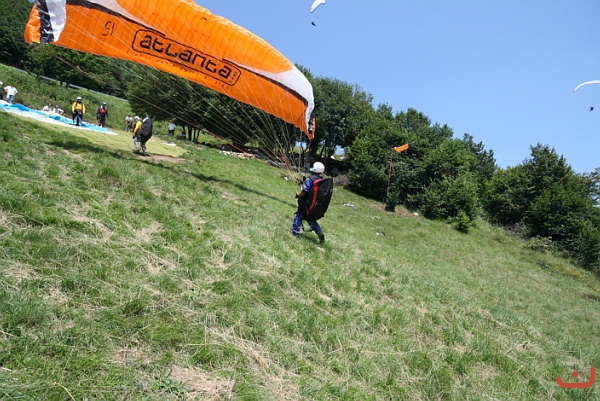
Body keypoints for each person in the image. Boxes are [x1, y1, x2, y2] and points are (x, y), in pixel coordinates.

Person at [292, 161, 327, 243]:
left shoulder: (310, 179)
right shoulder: (322, 181)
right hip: (314, 206)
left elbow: (305, 190)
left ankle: (295, 233)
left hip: (306, 204)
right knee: (311, 219)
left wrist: (298, 195)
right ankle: (319, 232)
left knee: (299, 216)